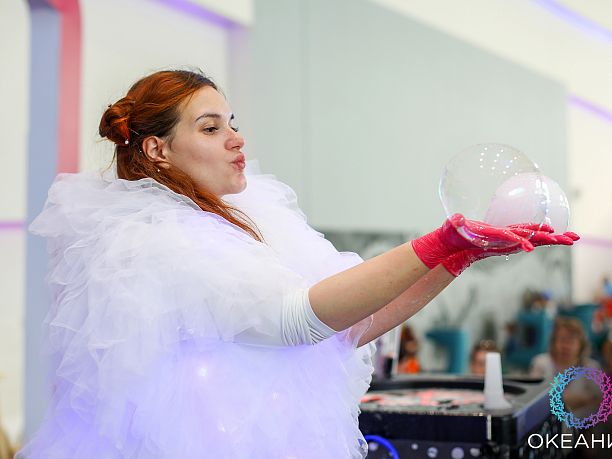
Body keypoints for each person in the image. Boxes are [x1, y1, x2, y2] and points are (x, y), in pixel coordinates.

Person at [18, 69, 578, 458]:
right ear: (157, 150)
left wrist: (460, 256)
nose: (236, 138)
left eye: (232, 122)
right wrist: (438, 243)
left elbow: (347, 326)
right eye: (211, 128)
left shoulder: (252, 217)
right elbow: (296, 320)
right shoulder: (155, 241)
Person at [530, 317, 600, 416]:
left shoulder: (591, 367)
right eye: (562, 340)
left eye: (571, 341)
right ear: (554, 342)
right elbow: (533, 399)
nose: (566, 346)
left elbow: (600, 402)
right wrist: (581, 400)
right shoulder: (541, 363)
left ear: (581, 345)